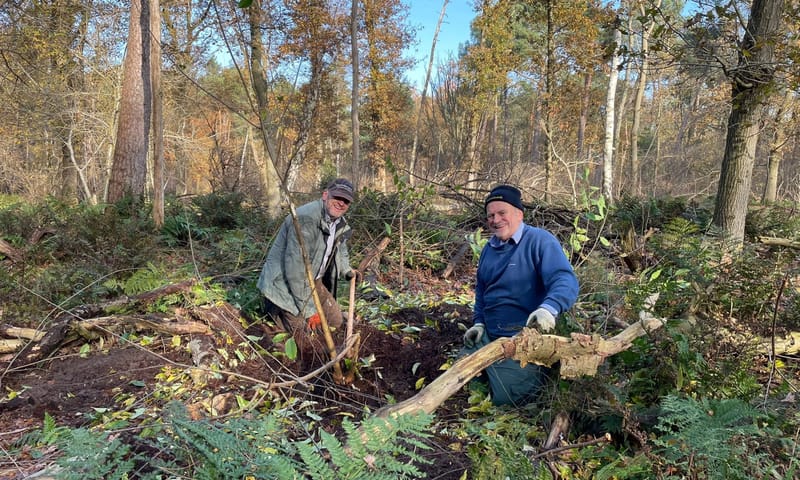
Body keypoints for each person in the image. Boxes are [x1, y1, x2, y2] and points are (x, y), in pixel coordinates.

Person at [463, 184, 579, 406]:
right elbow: (482, 291)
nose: (495, 220)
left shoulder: (540, 241)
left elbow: (565, 280)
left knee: (507, 401)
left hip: (522, 340)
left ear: (519, 213)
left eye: (502, 213)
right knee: (459, 382)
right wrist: (478, 323)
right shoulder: (489, 249)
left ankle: (520, 379)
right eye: (491, 215)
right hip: (489, 336)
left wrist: (549, 308)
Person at [257, 178, 360, 333]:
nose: (341, 203)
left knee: (335, 322)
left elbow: (341, 248)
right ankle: (274, 311)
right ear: (325, 195)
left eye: (346, 201)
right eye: (337, 197)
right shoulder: (306, 219)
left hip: (313, 281)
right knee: (307, 332)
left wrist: (347, 270)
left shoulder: (338, 222)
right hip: (284, 282)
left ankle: (289, 316)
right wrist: (311, 311)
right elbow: (295, 269)